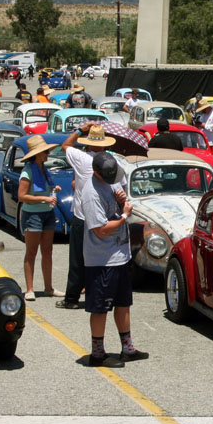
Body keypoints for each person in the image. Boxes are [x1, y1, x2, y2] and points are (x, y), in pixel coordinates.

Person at [82, 151, 147, 367]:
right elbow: (100, 230)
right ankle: (97, 353)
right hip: (102, 259)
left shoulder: (110, 181)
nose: (113, 181)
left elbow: (120, 200)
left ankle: (127, 348)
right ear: (96, 172)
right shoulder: (91, 193)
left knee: (123, 303)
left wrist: (121, 202)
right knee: (100, 307)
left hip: (119, 255)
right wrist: (124, 216)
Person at [57, 124, 117, 309]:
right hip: (104, 216)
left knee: (77, 258)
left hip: (83, 215)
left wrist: (78, 130)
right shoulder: (111, 161)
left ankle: (72, 298)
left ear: (88, 142)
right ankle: (99, 295)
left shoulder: (82, 157)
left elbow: (65, 146)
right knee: (101, 258)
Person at [17, 135, 64, 301]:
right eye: (45, 152)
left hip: (47, 213)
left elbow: (45, 189)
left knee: (48, 250)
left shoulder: (44, 169)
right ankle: (30, 289)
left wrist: (53, 189)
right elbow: (22, 196)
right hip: (33, 214)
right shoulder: (27, 171)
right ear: (37, 154)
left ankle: (49, 288)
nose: (47, 154)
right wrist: (44, 198)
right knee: (31, 251)